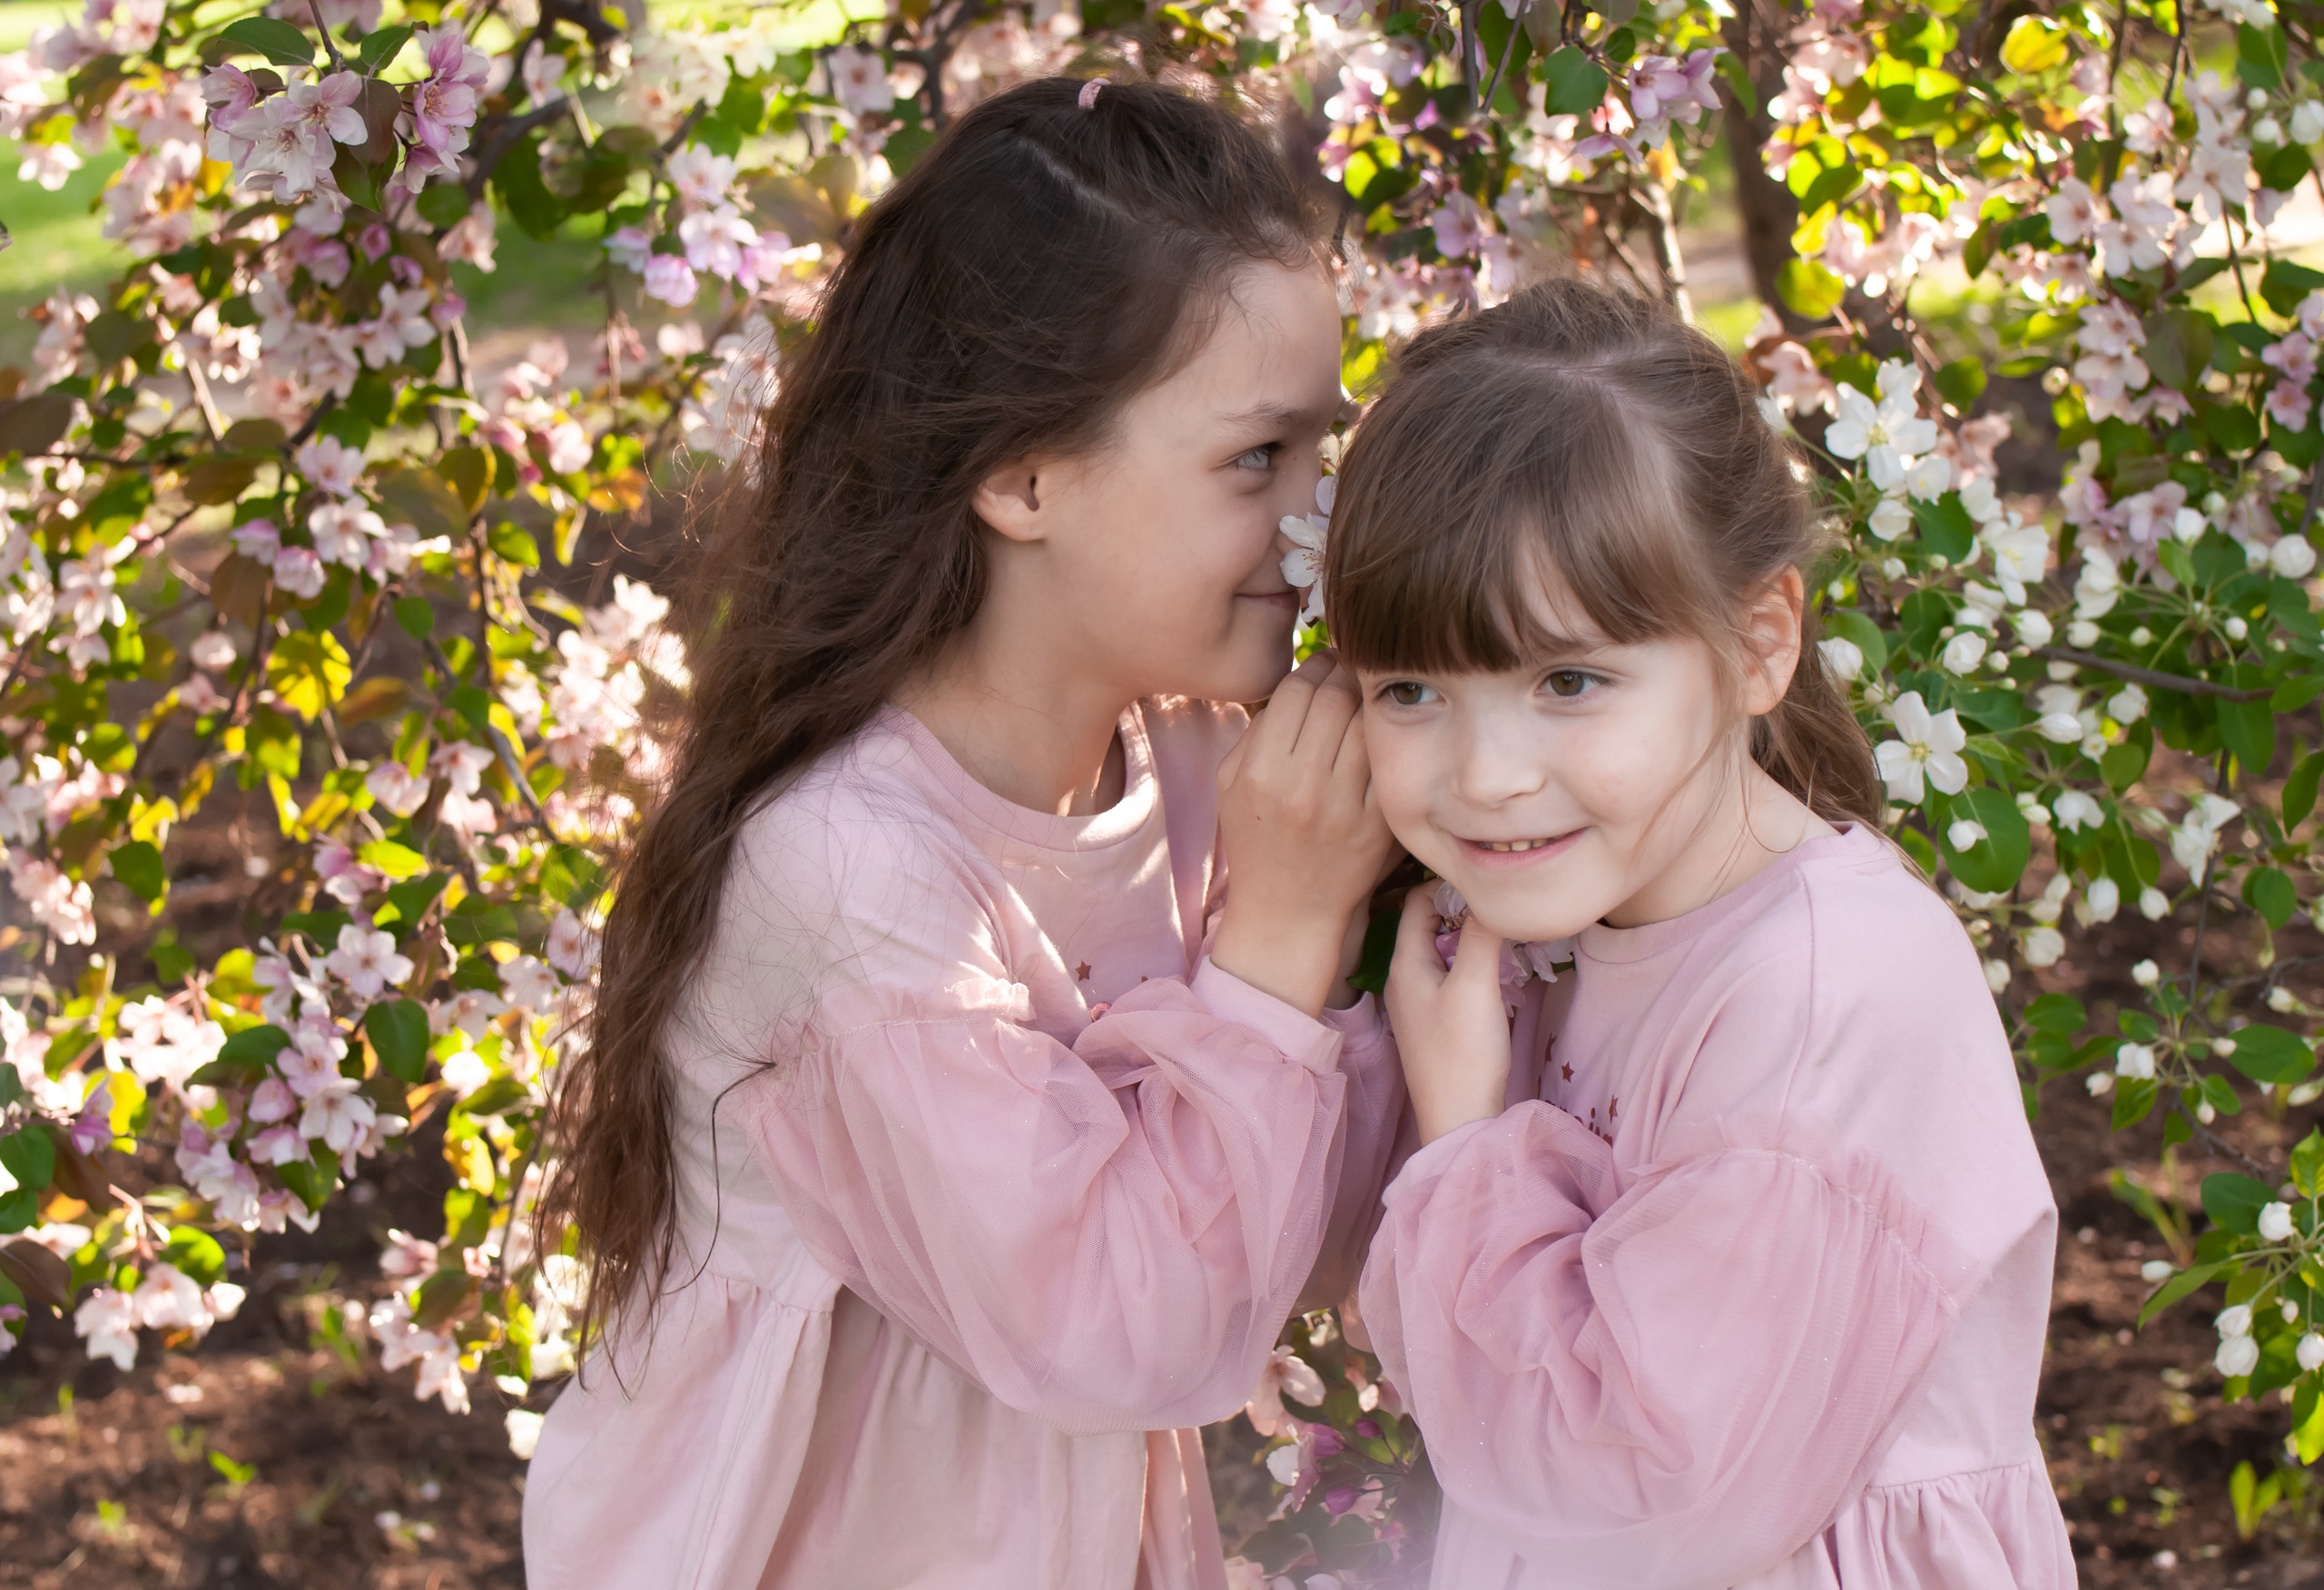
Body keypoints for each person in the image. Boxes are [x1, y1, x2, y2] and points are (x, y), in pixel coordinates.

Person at [524, 76, 1403, 1590]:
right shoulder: (855, 874)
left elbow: (1297, 1225)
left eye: (1319, 457)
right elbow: (1125, 1327)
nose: (1314, 524)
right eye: (1257, 462)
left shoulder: (1192, 759)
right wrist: (1278, 945)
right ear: (1019, 474)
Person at [1327, 279, 2073, 1587]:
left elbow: (1633, 1495)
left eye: (1570, 681)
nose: (1487, 773)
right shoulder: (1553, 921)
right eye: (1412, 689)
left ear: (1759, 642)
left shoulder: (1823, 999)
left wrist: (1465, 1151)